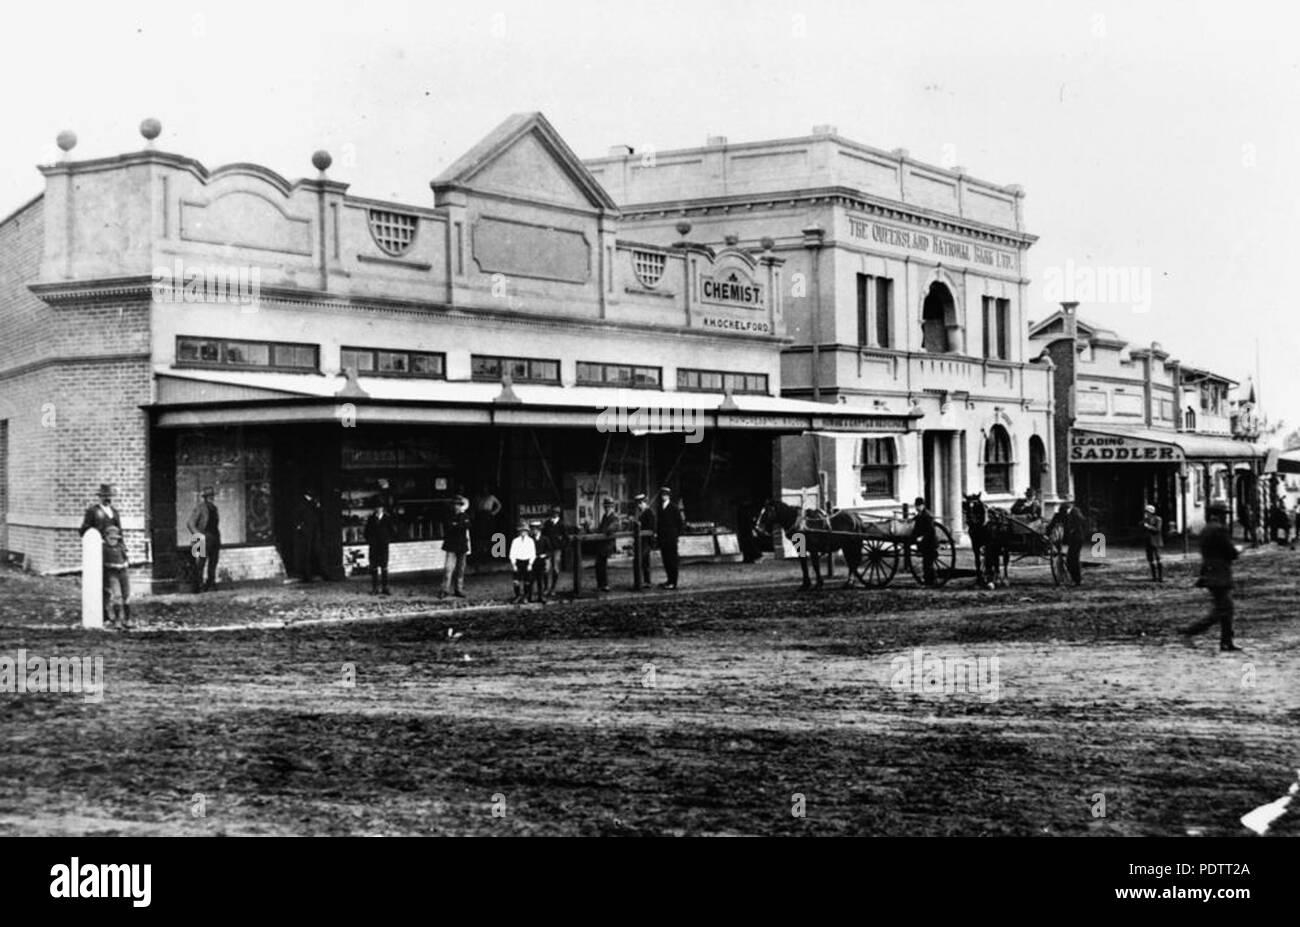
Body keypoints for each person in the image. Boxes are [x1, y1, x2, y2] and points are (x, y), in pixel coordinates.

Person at [1182, 504, 1242, 651]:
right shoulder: (1219, 529)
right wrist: (1237, 551)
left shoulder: (1205, 529)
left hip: (1209, 571)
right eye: (1224, 514)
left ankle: (1226, 641)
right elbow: (1229, 551)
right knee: (1224, 609)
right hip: (1219, 572)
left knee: (1225, 608)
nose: (1226, 516)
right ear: (1219, 515)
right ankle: (1191, 631)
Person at [185, 485, 221, 592]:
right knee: (199, 564)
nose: (211, 498)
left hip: (214, 537)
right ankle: (197, 586)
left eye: (212, 496)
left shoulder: (215, 508)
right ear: (205, 497)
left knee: (213, 562)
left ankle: (210, 584)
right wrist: (198, 535)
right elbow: (190, 523)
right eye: (208, 496)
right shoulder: (200, 508)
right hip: (201, 537)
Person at [1047, 496, 1088, 585]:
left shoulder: (1076, 512)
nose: (1066, 504)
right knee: (1071, 559)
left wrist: (1075, 530)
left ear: (1071, 504)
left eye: (1068, 503)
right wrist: (1047, 534)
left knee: (1072, 558)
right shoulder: (1061, 513)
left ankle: (1077, 580)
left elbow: (1083, 524)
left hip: (1077, 538)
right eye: (1064, 502)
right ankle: (1075, 579)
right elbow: (1053, 523)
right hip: (1069, 537)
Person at [102, 525, 134, 630]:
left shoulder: (120, 547)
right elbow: (104, 563)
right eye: (111, 538)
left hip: (123, 572)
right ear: (106, 538)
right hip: (112, 574)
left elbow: (126, 559)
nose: (113, 541)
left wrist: (125, 564)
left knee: (126, 594)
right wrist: (113, 566)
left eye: (115, 538)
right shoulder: (104, 549)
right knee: (117, 595)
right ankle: (117, 620)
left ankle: (128, 619)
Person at [440, 495, 472, 598]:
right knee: (448, 569)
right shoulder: (448, 516)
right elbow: (448, 526)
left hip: (462, 545)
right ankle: (445, 590)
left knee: (460, 569)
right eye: (455, 505)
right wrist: (457, 525)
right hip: (451, 545)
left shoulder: (465, 516)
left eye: (458, 505)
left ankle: (459, 589)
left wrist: (456, 525)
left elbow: (466, 526)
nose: (456, 507)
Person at [654, 487, 684, 590]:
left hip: (671, 539)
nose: (664, 496)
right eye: (662, 494)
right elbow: (659, 523)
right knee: (666, 560)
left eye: (666, 494)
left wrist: (675, 535)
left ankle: (673, 582)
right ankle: (668, 580)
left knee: (672, 561)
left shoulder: (674, 507)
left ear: (668, 495)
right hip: (663, 539)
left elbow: (680, 523)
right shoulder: (660, 507)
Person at [292, 490, 325, 582]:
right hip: (306, 531)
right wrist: (299, 526)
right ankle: (307, 575)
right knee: (306, 553)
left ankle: (316, 573)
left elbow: (318, 514)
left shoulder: (313, 502)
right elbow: (297, 516)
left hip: (314, 531)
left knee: (315, 552)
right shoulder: (301, 502)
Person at [364, 499, 395, 595]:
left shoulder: (387, 518)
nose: (378, 509)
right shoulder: (371, 519)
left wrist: (387, 540)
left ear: (383, 508)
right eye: (377, 507)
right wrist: (370, 541)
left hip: (383, 546)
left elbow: (392, 531)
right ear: (375, 509)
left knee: (384, 566)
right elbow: (366, 532)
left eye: (380, 507)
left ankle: (385, 587)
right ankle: (375, 588)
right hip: (373, 546)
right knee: (374, 567)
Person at [539, 506, 569, 595]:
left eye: (556, 513)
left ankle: (553, 588)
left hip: (556, 550)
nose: (554, 515)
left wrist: (561, 545)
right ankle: (546, 588)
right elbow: (543, 535)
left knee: (555, 569)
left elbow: (566, 538)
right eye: (553, 513)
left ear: (558, 514)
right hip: (548, 549)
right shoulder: (547, 523)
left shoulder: (561, 524)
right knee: (546, 568)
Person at [471, 484, 503, 567]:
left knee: (488, 535)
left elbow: (499, 505)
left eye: (486, 489)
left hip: (488, 516)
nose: (485, 491)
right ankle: (479, 555)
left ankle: (487, 554)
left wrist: (493, 513)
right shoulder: (478, 497)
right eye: (483, 489)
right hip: (480, 516)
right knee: (479, 536)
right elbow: (474, 507)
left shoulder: (491, 497)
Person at [910, 496, 938, 585]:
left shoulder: (927, 515)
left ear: (922, 506)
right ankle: (928, 581)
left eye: (918, 506)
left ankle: (931, 581)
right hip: (924, 543)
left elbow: (930, 530)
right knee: (926, 562)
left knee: (928, 563)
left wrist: (922, 537)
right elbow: (914, 525)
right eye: (916, 506)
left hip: (930, 542)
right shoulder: (919, 515)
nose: (917, 508)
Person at [595, 498, 620, 592]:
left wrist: (603, 532)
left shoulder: (614, 517)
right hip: (601, 543)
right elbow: (601, 528)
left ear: (612, 507)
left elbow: (612, 528)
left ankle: (604, 584)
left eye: (609, 507)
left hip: (608, 544)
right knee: (598, 564)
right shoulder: (604, 516)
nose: (607, 508)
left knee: (602, 564)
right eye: (605, 507)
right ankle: (600, 584)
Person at [508, 521, 536, 604]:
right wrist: (513, 564)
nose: (523, 533)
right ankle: (517, 596)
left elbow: (532, 553)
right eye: (521, 531)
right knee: (516, 581)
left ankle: (525, 597)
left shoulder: (530, 541)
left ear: (527, 532)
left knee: (527, 581)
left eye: (525, 531)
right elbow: (512, 553)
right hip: (518, 562)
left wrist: (530, 564)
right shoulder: (515, 541)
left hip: (527, 562)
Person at [634, 493, 657, 588]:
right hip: (641, 541)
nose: (639, 506)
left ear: (644, 503)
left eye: (640, 503)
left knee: (642, 560)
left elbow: (652, 528)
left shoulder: (649, 513)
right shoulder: (641, 513)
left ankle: (645, 581)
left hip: (646, 541)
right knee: (644, 561)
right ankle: (645, 581)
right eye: (638, 504)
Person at [528, 521, 551, 604]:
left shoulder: (545, 539)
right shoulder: (530, 539)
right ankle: (529, 596)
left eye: (536, 529)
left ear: (539, 529)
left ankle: (541, 596)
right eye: (533, 529)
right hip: (532, 561)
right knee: (531, 579)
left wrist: (545, 556)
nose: (534, 531)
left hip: (541, 562)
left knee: (540, 580)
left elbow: (549, 550)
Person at [1141, 503, 1164, 583]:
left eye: (1147, 512)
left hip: (1156, 541)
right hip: (1148, 542)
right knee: (1150, 559)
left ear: (1151, 512)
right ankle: (1154, 577)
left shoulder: (1158, 519)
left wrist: (1149, 527)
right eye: (1145, 512)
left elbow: (1158, 529)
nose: (1146, 513)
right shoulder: (1146, 520)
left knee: (1158, 558)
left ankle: (1160, 577)